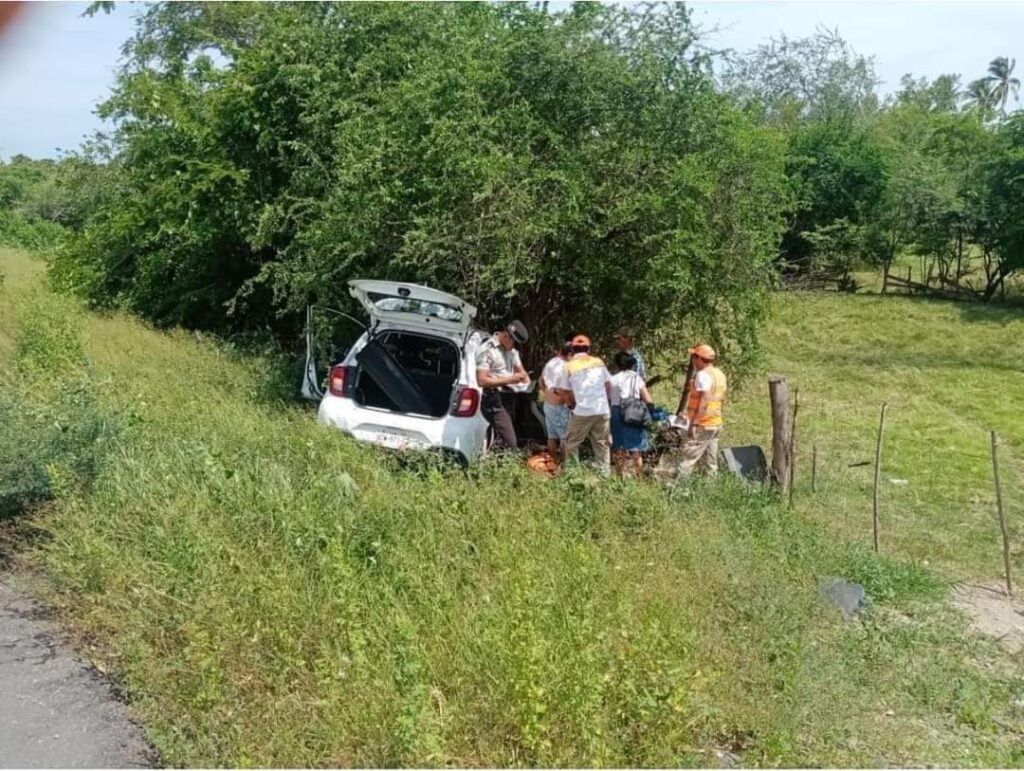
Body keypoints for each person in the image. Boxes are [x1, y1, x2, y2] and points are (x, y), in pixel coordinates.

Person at [670, 343, 728, 479]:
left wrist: (694, 423)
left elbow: (705, 399)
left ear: (700, 359)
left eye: (694, 357)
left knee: (687, 459)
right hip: (715, 423)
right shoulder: (719, 374)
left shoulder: (702, 375)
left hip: (702, 424)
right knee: (710, 463)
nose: (693, 361)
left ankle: (680, 491)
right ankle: (708, 493)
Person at [558, 334, 613, 474]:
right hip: (602, 410)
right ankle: (604, 475)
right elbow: (608, 384)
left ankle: (572, 473)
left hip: (582, 411)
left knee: (571, 443)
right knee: (602, 444)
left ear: (572, 349)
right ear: (588, 349)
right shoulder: (598, 362)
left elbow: (565, 392)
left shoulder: (569, 366)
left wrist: (572, 405)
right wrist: (603, 400)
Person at [476, 320, 530, 450]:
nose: (513, 345)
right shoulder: (488, 349)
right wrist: (509, 380)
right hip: (493, 399)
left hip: (508, 397)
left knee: (501, 437)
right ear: (506, 336)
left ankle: (493, 463)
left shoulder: (512, 352)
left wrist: (524, 378)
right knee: (510, 442)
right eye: (513, 341)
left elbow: (523, 373)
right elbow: (482, 380)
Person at [609, 351, 653, 477]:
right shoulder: (637, 378)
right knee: (635, 447)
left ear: (617, 365)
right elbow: (647, 398)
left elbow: (608, 397)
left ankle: (619, 476)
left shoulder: (613, 379)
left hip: (617, 411)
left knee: (618, 446)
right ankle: (639, 476)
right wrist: (650, 413)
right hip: (634, 412)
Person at [539, 341, 572, 460]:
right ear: (569, 354)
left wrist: (547, 393)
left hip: (548, 404)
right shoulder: (564, 367)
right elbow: (561, 390)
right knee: (565, 438)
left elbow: (541, 381)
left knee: (551, 436)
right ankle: (564, 466)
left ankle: (552, 463)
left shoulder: (551, 362)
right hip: (559, 406)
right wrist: (569, 401)